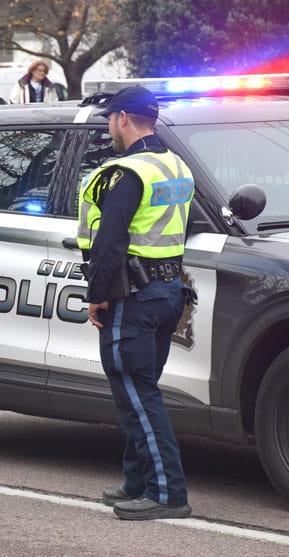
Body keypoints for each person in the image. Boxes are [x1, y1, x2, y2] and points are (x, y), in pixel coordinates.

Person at [76, 85, 195, 520]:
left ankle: (167, 494)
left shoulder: (126, 172)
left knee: (137, 392)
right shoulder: (176, 165)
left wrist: (96, 295)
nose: (109, 127)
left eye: (110, 119)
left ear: (124, 118)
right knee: (137, 391)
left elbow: (110, 242)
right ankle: (136, 481)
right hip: (168, 293)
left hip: (134, 296)